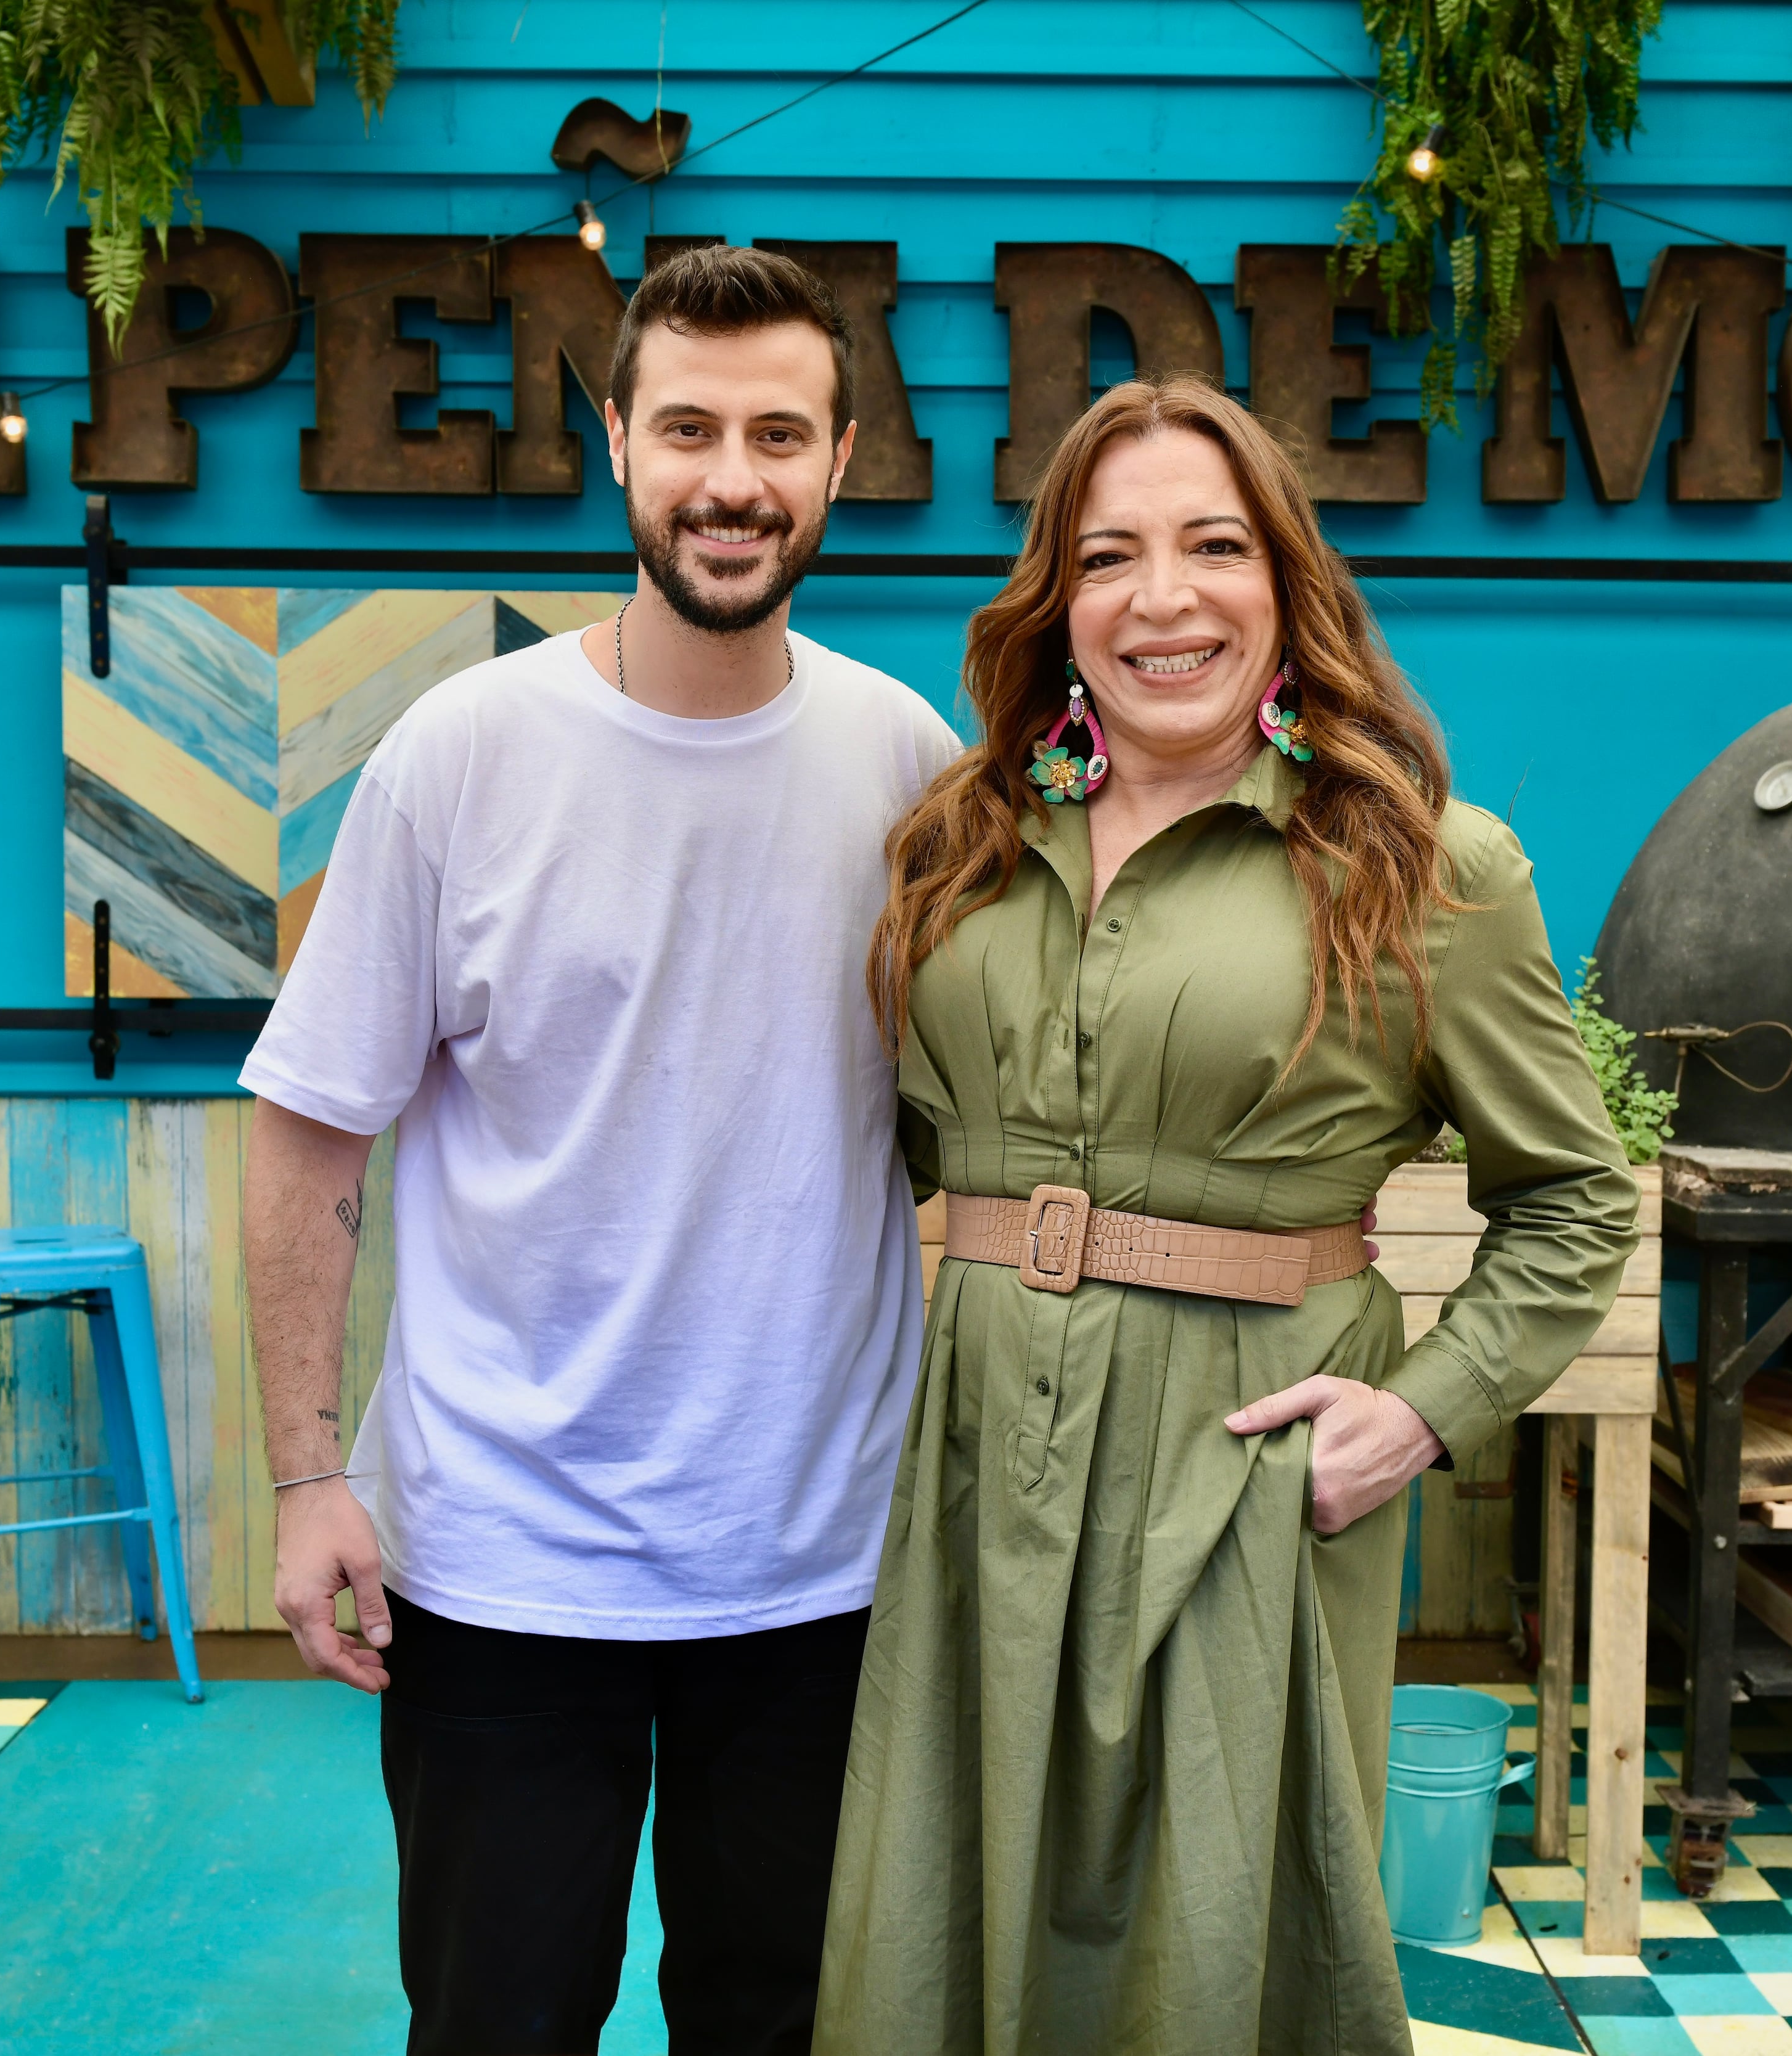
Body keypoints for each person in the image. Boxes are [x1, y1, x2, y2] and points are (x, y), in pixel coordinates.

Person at [818, 374, 1641, 2055]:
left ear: (1287, 585)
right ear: (1060, 601)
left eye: (1214, 545)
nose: (1162, 597)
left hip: (1239, 1458)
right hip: (972, 1457)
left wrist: (1417, 1416)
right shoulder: (956, 846)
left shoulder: (1423, 864)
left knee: (1213, 1930)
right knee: (938, 1911)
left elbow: (1570, 1199)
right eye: (1109, 556)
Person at [236, 244, 957, 2056]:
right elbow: (310, 1137)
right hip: (502, 1571)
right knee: (499, 2026)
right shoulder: (461, 755)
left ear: (842, 459)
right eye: (693, 427)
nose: (736, 476)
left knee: (786, 2026)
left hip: (820, 1567)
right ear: (618, 443)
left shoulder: (909, 765)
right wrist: (310, 1479)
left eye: (780, 432)